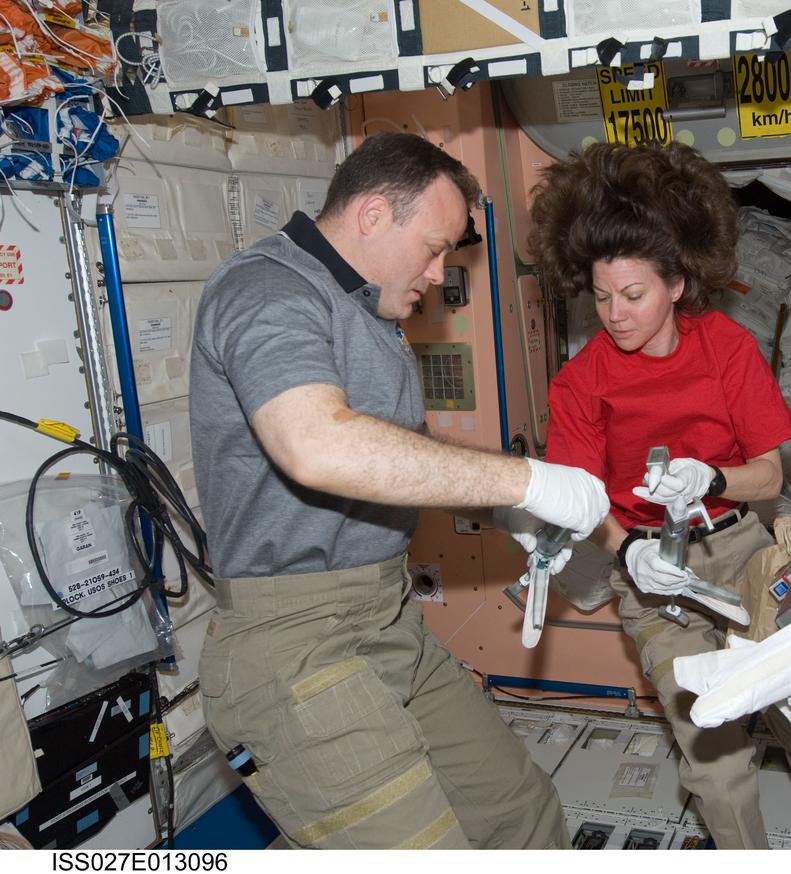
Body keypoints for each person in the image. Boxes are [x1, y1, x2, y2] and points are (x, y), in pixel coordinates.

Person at [189, 133, 609, 849]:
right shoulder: (267, 288)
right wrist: (529, 479)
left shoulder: (368, 314)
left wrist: (510, 511)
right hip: (295, 642)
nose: (439, 274)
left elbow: (402, 457)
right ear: (374, 214)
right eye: (435, 249)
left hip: (387, 618)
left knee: (520, 812)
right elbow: (318, 445)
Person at [529, 142, 791, 850]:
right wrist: (630, 549)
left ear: (678, 282)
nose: (614, 314)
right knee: (715, 762)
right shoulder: (580, 383)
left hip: (743, 550)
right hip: (654, 576)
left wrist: (710, 477)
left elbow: (769, 476)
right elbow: (579, 502)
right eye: (601, 297)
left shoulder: (726, 348)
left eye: (633, 295)